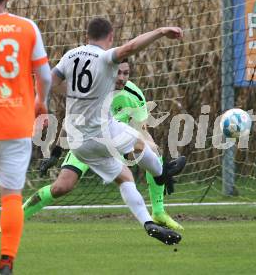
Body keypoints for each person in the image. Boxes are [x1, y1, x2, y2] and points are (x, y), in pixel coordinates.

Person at [50, 17, 184, 245]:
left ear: (86, 37)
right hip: (103, 131)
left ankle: (147, 222)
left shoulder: (69, 56)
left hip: (78, 143)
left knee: (124, 177)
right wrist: (161, 31)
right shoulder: (105, 57)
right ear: (110, 37)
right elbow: (131, 47)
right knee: (140, 144)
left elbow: (50, 82)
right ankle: (163, 173)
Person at [23, 59, 184, 231]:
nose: (121, 77)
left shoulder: (134, 96)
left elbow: (142, 131)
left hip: (116, 143)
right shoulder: (92, 90)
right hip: (85, 143)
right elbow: (71, 120)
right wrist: (56, 153)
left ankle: (158, 212)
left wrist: (158, 159)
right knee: (61, 187)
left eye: (126, 73)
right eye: (118, 73)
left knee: (150, 153)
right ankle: (18, 216)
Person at [0, 0, 52, 273]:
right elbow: (44, 76)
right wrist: (40, 102)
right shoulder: (27, 27)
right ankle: (7, 261)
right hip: (18, 125)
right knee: (11, 195)